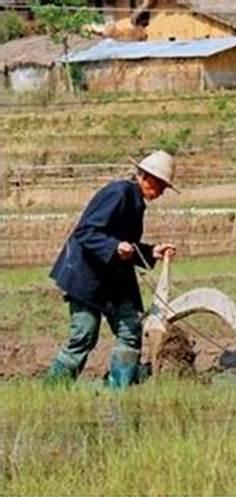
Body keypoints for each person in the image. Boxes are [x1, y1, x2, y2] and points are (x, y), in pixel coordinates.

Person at [47, 150, 179, 388]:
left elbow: (125, 242)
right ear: (147, 177)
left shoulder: (135, 200)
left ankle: (119, 391)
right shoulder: (119, 193)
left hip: (112, 278)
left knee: (130, 330)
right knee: (84, 336)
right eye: (161, 185)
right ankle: (52, 390)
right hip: (87, 276)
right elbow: (86, 232)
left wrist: (151, 252)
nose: (162, 192)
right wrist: (115, 247)